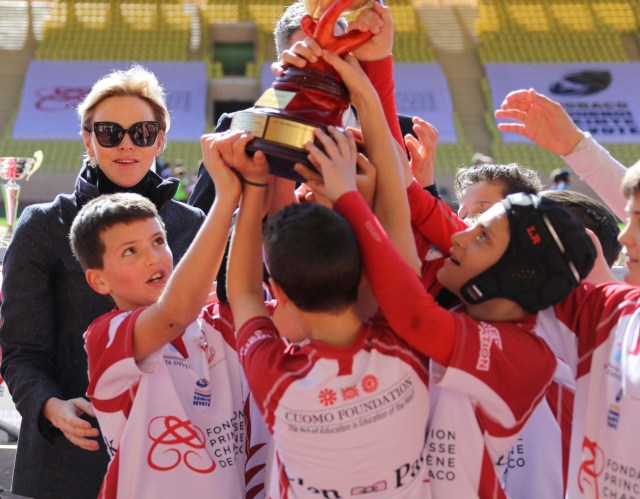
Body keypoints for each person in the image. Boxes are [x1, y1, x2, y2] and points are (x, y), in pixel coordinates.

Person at [0, 65, 205, 498]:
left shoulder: (191, 226)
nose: (127, 143)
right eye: (110, 132)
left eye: (143, 132)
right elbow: (21, 351)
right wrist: (50, 406)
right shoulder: (43, 225)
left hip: (174, 454)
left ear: (161, 139)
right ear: (88, 139)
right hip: (69, 460)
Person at [71, 130, 261, 496]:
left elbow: (247, 292)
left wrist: (254, 185)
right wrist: (226, 199)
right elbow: (174, 314)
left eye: (159, 241)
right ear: (98, 281)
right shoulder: (106, 335)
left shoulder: (212, 321)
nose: (152, 257)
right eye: (130, 251)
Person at [495, 88, 628, 219]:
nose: (623, 237)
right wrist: (576, 147)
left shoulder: (560, 188)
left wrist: (578, 148)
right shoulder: (561, 188)